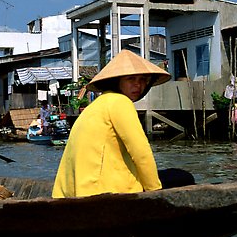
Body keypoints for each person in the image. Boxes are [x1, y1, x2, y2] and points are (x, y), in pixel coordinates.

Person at [52, 49, 194, 198]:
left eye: (142, 80)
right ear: (117, 81)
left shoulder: (96, 105)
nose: (138, 85)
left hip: (77, 188)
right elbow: (140, 151)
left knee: (172, 175)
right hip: (102, 189)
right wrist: (155, 191)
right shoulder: (120, 102)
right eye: (131, 79)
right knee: (184, 177)